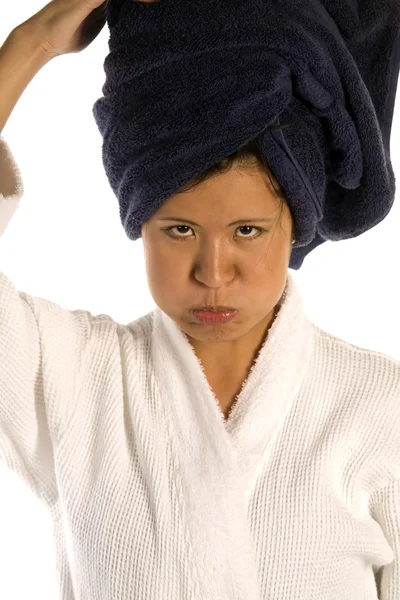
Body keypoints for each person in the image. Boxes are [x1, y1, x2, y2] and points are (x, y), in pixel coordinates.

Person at [0, 2, 399, 599]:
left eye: (247, 230)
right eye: (179, 230)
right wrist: (30, 43)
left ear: (295, 224)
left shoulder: (380, 409)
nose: (213, 273)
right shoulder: (74, 379)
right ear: (140, 226)